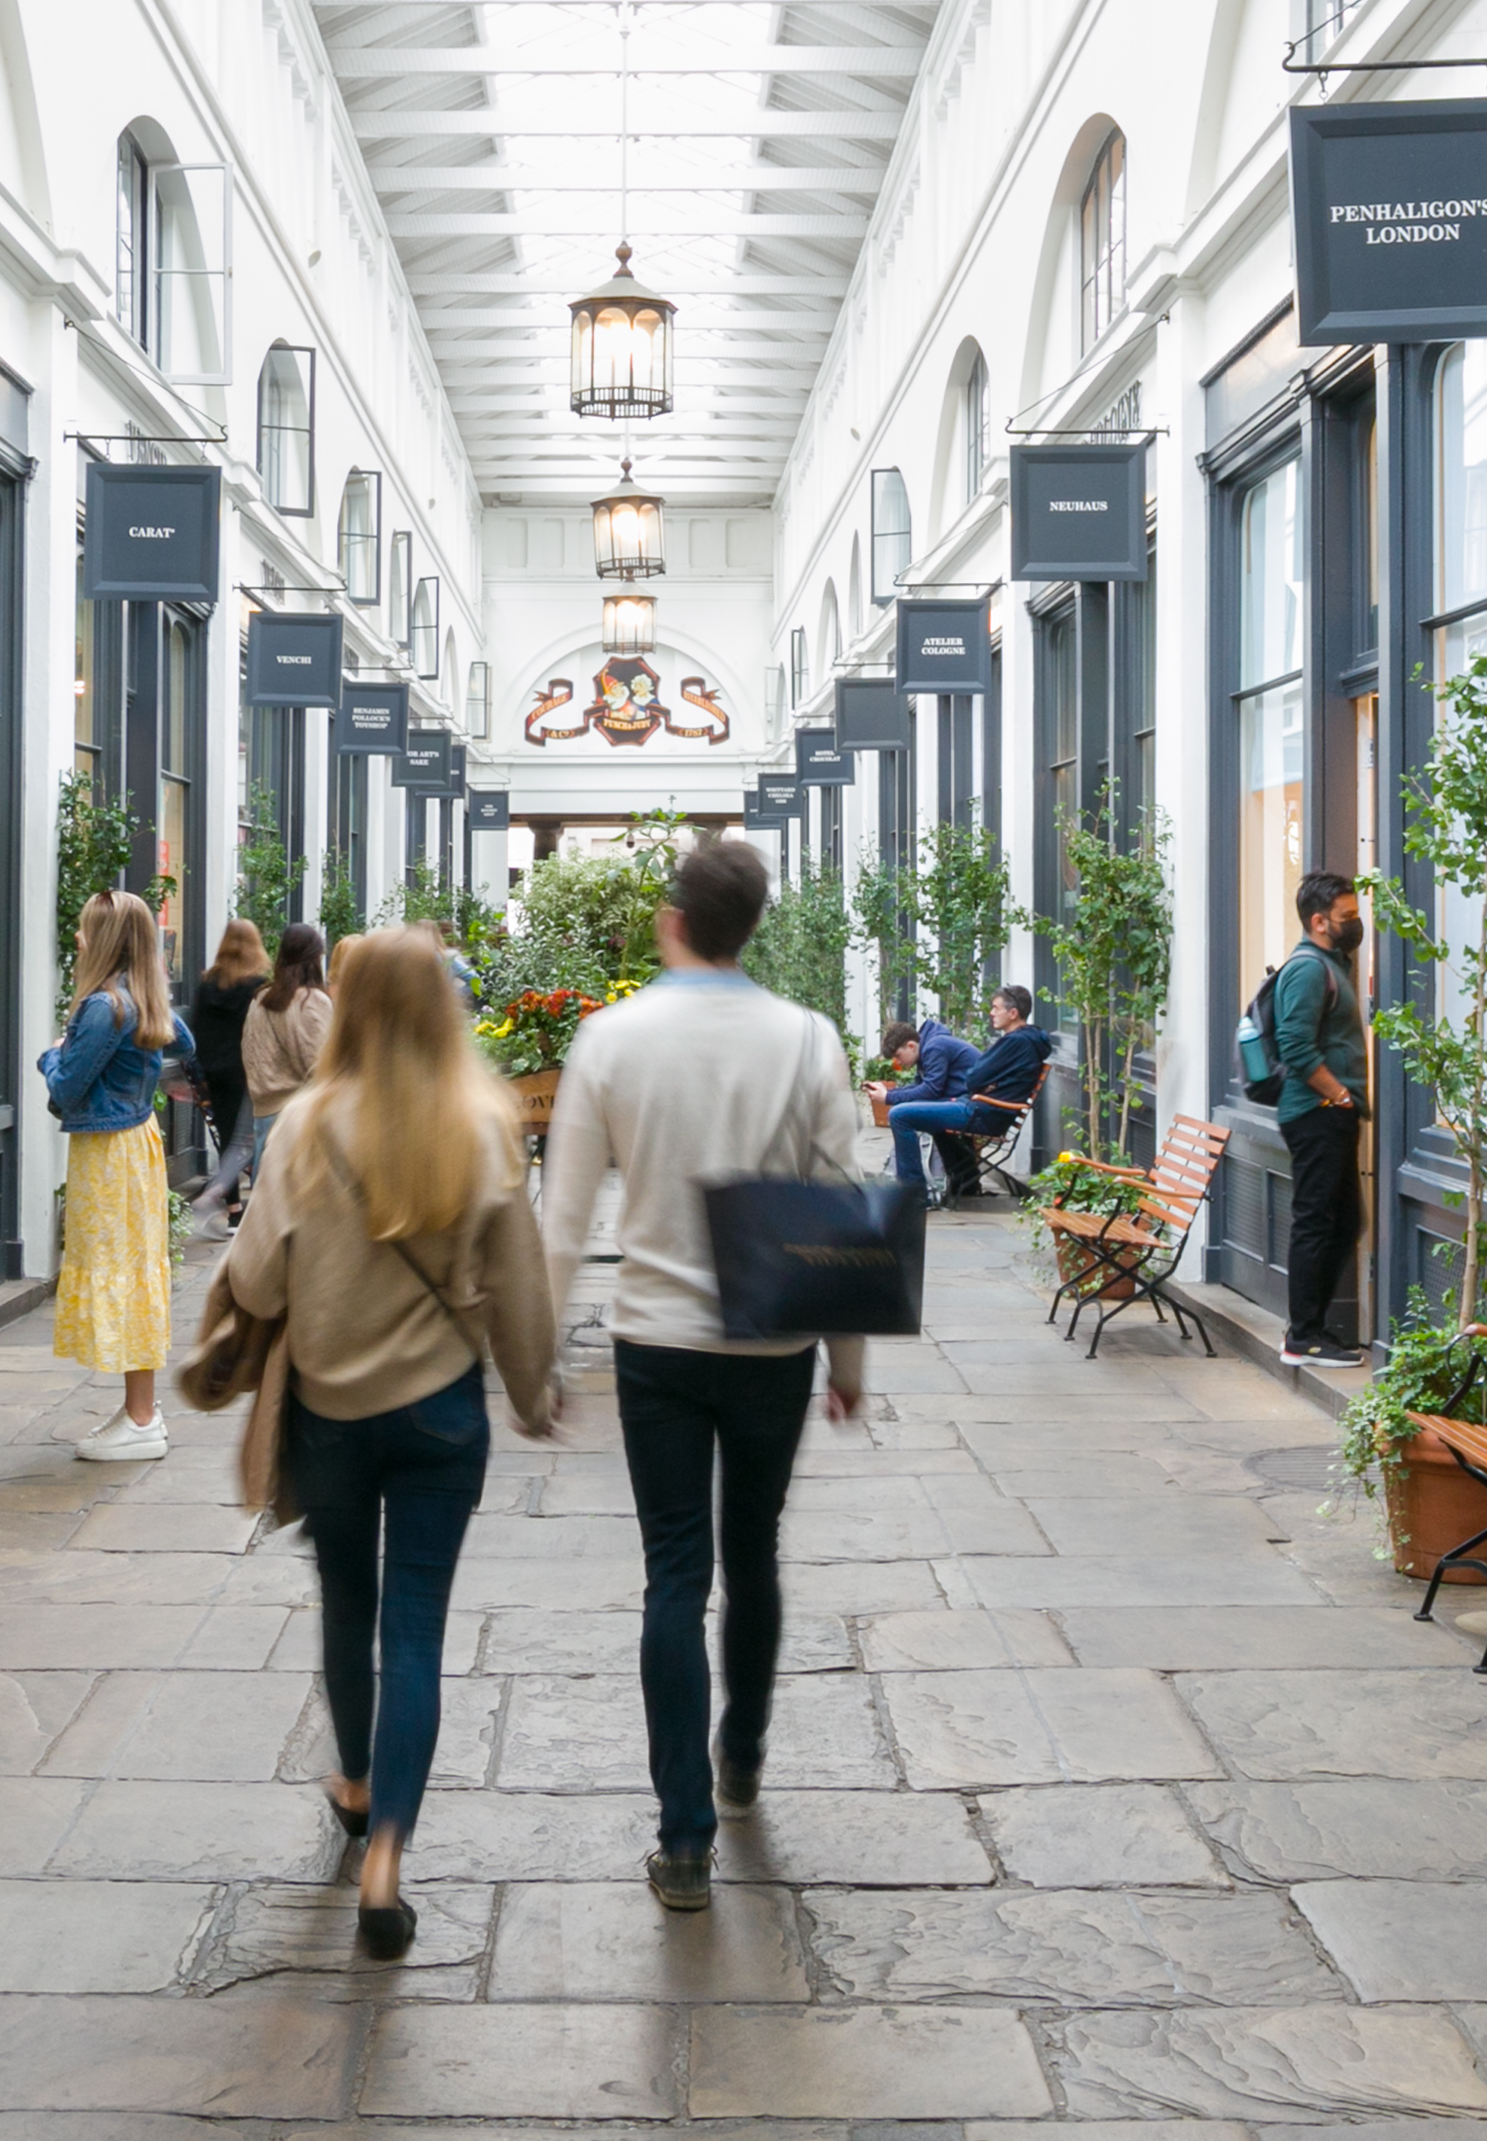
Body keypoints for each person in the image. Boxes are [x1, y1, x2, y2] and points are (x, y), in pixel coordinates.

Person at [538, 827, 877, 1907]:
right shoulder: (808, 1038)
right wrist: (848, 1354)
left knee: (672, 1575)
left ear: (670, 921)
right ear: (752, 926)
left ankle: (681, 1835)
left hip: (654, 1343)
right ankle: (741, 1760)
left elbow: (560, 1219)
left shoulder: (609, 1039)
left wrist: (538, 1352)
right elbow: (840, 1204)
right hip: (771, 1339)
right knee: (756, 1554)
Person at [210, 925, 561, 1960]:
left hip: (327, 1411)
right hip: (441, 1416)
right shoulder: (484, 1120)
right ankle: (386, 1865)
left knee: (344, 1604)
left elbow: (255, 1281)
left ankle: (356, 1783)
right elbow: (520, 1284)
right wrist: (533, 1390)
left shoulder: (307, 1124)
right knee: (414, 1631)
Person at [51, 887, 182, 1462]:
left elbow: (65, 1087)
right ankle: (140, 1408)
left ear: (103, 941)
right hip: (136, 1144)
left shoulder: (104, 1006)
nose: (78, 938)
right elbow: (186, 1043)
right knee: (135, 1270)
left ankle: (141, 1417)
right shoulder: (144, 997)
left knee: (120, 1270)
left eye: (85, 929)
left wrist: (53, 1052)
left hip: (109, 1155)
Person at [1245, 868, 1371, 1359]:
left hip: (1328, 1112)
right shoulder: (1307, 969)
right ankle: (1302, 1337)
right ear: (1319, 922)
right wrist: (1338, 1094)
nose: (1356, 924)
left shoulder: (1332, 962)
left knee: (1344, 1223)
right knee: (1318, 1221)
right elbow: (1296, 1045)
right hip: (1316, 1112)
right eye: (1348, 917)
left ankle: (1312, 1328)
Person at [884, 992, 1059, 1208]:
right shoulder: (1021, 1041)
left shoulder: (1015, 1042)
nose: (991, 1012)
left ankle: (914, 1195)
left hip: (983, 1113)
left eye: (996, 1007)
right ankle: (964, 1185)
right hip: (982, 1107)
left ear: (1013, 1013)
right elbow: (978, 1076)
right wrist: (984, 1082)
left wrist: (984, 1082)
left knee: (899, 1115)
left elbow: (974, 1077)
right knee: (919, 1110)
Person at [219, 916, 332, 1216]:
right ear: (315, 957)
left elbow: (250, 1053)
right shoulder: (312, 1001)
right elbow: (322, 1064)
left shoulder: (261, 1000)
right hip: (302, 1119)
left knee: (267, 1215)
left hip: (264, 1114)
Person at [185, 913, 273, 1224]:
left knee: (226, 1135)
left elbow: (195, 1028)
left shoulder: (208, 983)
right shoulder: (259, 987)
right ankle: (243, 1199)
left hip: (214, 1070)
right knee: (251, 1137)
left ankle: (234, 1210)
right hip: (247, 1070)